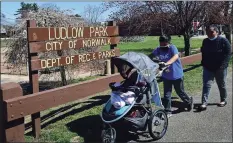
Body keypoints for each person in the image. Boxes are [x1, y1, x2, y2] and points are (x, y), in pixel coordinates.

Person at [150, 35, 193, 117]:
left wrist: (166, 63)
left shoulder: (172, 48)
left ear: (168, 42)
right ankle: (168, 111)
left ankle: (188, 101)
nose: (163, 45)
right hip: (166, 76)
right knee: (167, 94)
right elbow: (152, 56)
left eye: (165, 43)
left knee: (180, 92)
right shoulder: (158, 49)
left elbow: (175, 56)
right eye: (161, 43)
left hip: (177, 75)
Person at [198, 25, 232, 110]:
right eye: (208, 32)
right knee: (206, 85)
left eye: (211, 31)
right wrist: (203, 62)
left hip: (220, 68)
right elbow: (204, 52)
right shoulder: (205, 41)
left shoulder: (223, 41)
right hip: (208, 67)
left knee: (221, 84)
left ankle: (223, 100)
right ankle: (204, 103)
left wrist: (224, 65)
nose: (209, 33)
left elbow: (228, 53)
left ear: (217, 32)